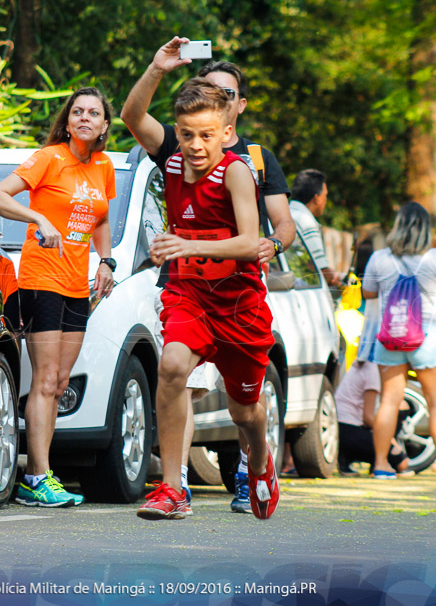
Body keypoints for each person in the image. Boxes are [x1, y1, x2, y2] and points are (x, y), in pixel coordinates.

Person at [121, 36, 295, 515]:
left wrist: (187, 243)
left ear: (225, 132)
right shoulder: (173, 160)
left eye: (204, 136)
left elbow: (248, 242)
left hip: (239, 304)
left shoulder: (238, 171)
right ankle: (173, 489)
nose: (194, 146)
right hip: (189, 294)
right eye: (185, 134)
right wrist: (157, 67)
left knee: (245, 412)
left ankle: (259, 464)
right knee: (173, 367)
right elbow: (132, 118)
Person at [0, 87, 116, 508]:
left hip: (78, 287)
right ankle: (36, 477)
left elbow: (101, 218)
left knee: (59, 383)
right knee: (43, 380)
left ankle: (43, 474)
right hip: (41, 282)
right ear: (68, 119)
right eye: (77, 111)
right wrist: (37, 215)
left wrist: (106, 261)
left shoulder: (103, 165)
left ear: (104, 126)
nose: (84, 118)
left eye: (93, 113)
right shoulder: (48, 158)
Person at [358, 202, 436, 484]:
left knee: (388, 401)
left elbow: (368, 292)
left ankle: (382, 465)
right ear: (426, 229)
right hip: (429, 338)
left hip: (391, 335)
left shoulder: (379, 257)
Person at [333, 360, 410, 476]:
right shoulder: (373, 371)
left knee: (399, 406)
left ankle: (348, 457)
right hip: (349, 429)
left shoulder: (364, 364)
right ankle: (377, 460)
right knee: (401, 462)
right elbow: (368, 418)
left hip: (341, 427)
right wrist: (390, 441)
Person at [290, 169, 341, 287]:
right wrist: (335, 278)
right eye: (325, 196)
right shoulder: (306, 221)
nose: (326, 201)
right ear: (316, 198)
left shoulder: (284, 215)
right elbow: (321, 270)